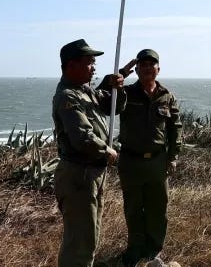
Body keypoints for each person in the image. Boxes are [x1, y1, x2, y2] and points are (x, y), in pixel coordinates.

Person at [52, 39, 136, 267]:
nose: (94, 67)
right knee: (79, 241)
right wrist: (108, 151)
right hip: (79, 174)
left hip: (92, 174)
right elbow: (82, 137)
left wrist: (117, 83)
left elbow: (113, 107)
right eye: (89, 63)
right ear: (71, 66)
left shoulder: (84, 91)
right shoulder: (68, 96)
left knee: (89, 237)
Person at [117, 48, 182, 266]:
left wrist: (173, 156)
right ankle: (135, 250)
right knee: (133, 208)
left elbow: (175, 128)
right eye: (142, 65)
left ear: (158, 69)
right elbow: (106, 104)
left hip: (157, 161)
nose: (147, 68)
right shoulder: (125, 93)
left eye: (151, 65)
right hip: (131, 161)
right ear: (136, 69)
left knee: (158, 208)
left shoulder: (167, 96)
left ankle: (153, 251)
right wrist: (119, 75)